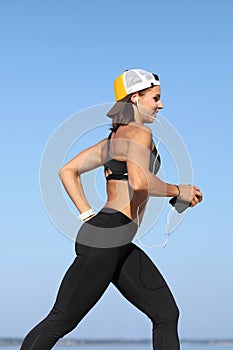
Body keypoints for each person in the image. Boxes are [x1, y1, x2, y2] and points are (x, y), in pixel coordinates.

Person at [20, 68, 203, 350]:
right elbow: (140, 182)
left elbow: (67, 171)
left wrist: (87, 215)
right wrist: (179, 190)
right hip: (108, 237)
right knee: (60, 321)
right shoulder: (140, 133)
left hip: (114, 238)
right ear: (135, 98)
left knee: (166, 313)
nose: (161, 105)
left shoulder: (112, 141)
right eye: (155, 98)